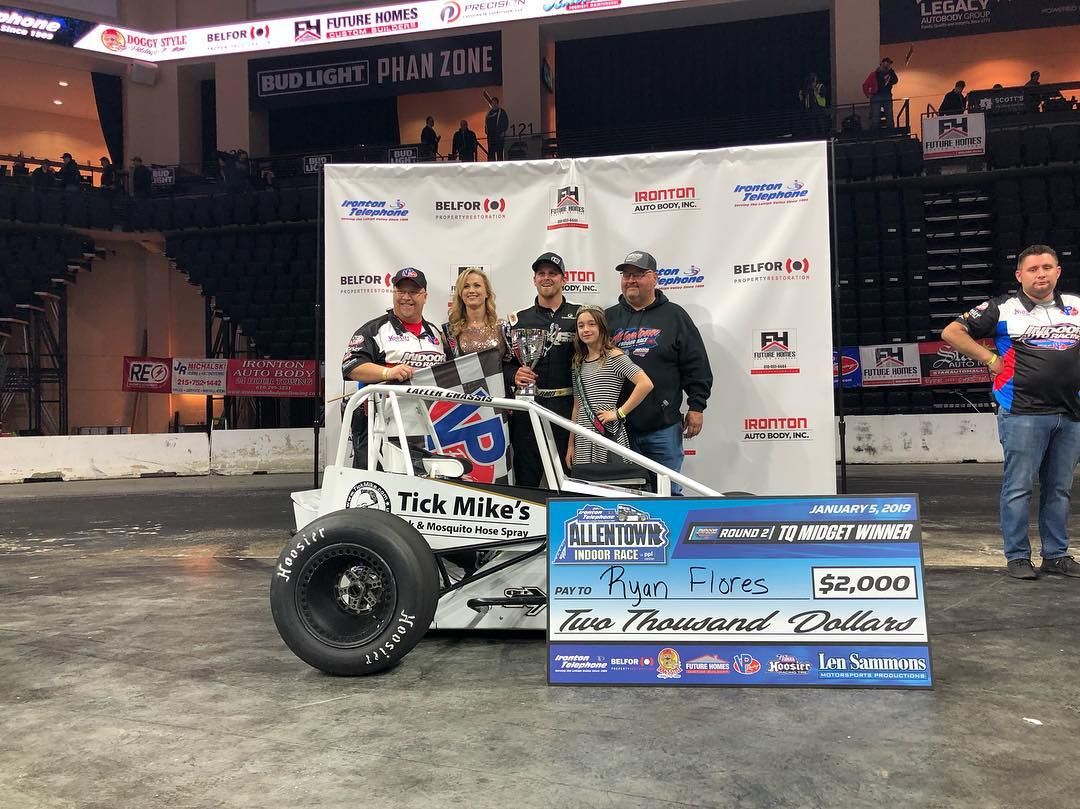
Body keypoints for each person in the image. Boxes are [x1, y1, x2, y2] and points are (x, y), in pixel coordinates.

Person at [941, 245, 1080, 580]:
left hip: (1071, 413)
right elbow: (952, 331)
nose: (1041, 274)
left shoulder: (1076, 306)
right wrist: (990, 359)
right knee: (1019, 487)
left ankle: (1056, 554)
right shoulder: (1003, 307)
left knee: (1059, 489)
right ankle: (1018, 556)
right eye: (1033, 269)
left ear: (1058, 271)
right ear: (1020, 275)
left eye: (1047, 267)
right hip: (1022, 412)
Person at [605, 251, 713, 495]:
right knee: (622, 495)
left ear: (654, 277)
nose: (631, 280)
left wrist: (697, 406)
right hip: (619, 428)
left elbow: (696, 365)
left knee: (669, 493)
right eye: (626, 275)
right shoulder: (608, 318)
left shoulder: (675, 316)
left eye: (638, 275)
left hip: (662, 427)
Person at [342, 268, 447, 467]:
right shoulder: (375, 330)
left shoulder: (436, 334)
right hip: (382, 426)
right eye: (401, 291)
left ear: (425, 296)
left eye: (413, 292)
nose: (406, 297)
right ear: (393, 293)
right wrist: (387, 372)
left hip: (430, 426)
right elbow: (350, 366)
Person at [506, 252, 580, 487]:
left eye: (552, 273)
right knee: (526, 478)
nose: (546, 278)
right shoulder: (518, 320)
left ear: (564, 279)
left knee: (569, 478)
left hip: (567, 408)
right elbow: (504, 363)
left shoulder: (580, 316)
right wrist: (514, 374)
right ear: (534, 279)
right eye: (541, 273)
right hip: (528, 409)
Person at [566, 305, 653, 468]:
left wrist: (619, 413)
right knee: (586, 488)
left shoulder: (614, 356)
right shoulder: (578, 362)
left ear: (601, 326)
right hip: (583, 437)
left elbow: (645, 383)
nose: (586, 329)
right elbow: (576, 407)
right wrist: (571, 445)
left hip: (608, 434)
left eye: (591, 324)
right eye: (581, 325)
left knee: (611, 487)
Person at [443, 268, 505, 358]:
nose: (471, 290)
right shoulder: (450, 332)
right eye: (466, 286)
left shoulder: (502, 328)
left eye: (477, 285)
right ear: (460, 294)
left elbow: (510, 364)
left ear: (487, 293)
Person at [862, 57, 899, 128]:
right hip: (877, 95)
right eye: (886, 62)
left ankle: (890, 130)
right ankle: (876, 131)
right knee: (875, 115)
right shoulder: (874, 74)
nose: (887, 64)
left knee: (889, 114)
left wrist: (891, 71)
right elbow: (865, 85)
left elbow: (895, 81)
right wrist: (867, 94)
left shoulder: (890, 73)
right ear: (882, 63)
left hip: (887, 95)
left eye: (889, 63)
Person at [484, 97, 509, 161]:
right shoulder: (488, 113)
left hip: (498, 136)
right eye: (493, 103)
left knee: (499, 153)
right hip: (490, 137)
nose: (494, 104)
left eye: (495, 103)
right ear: (491, 104)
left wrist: (502, 131)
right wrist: (486, 131)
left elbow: (505, 123)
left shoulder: (502, 112)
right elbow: (486, 123)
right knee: (491, 153)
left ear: (497, 104)